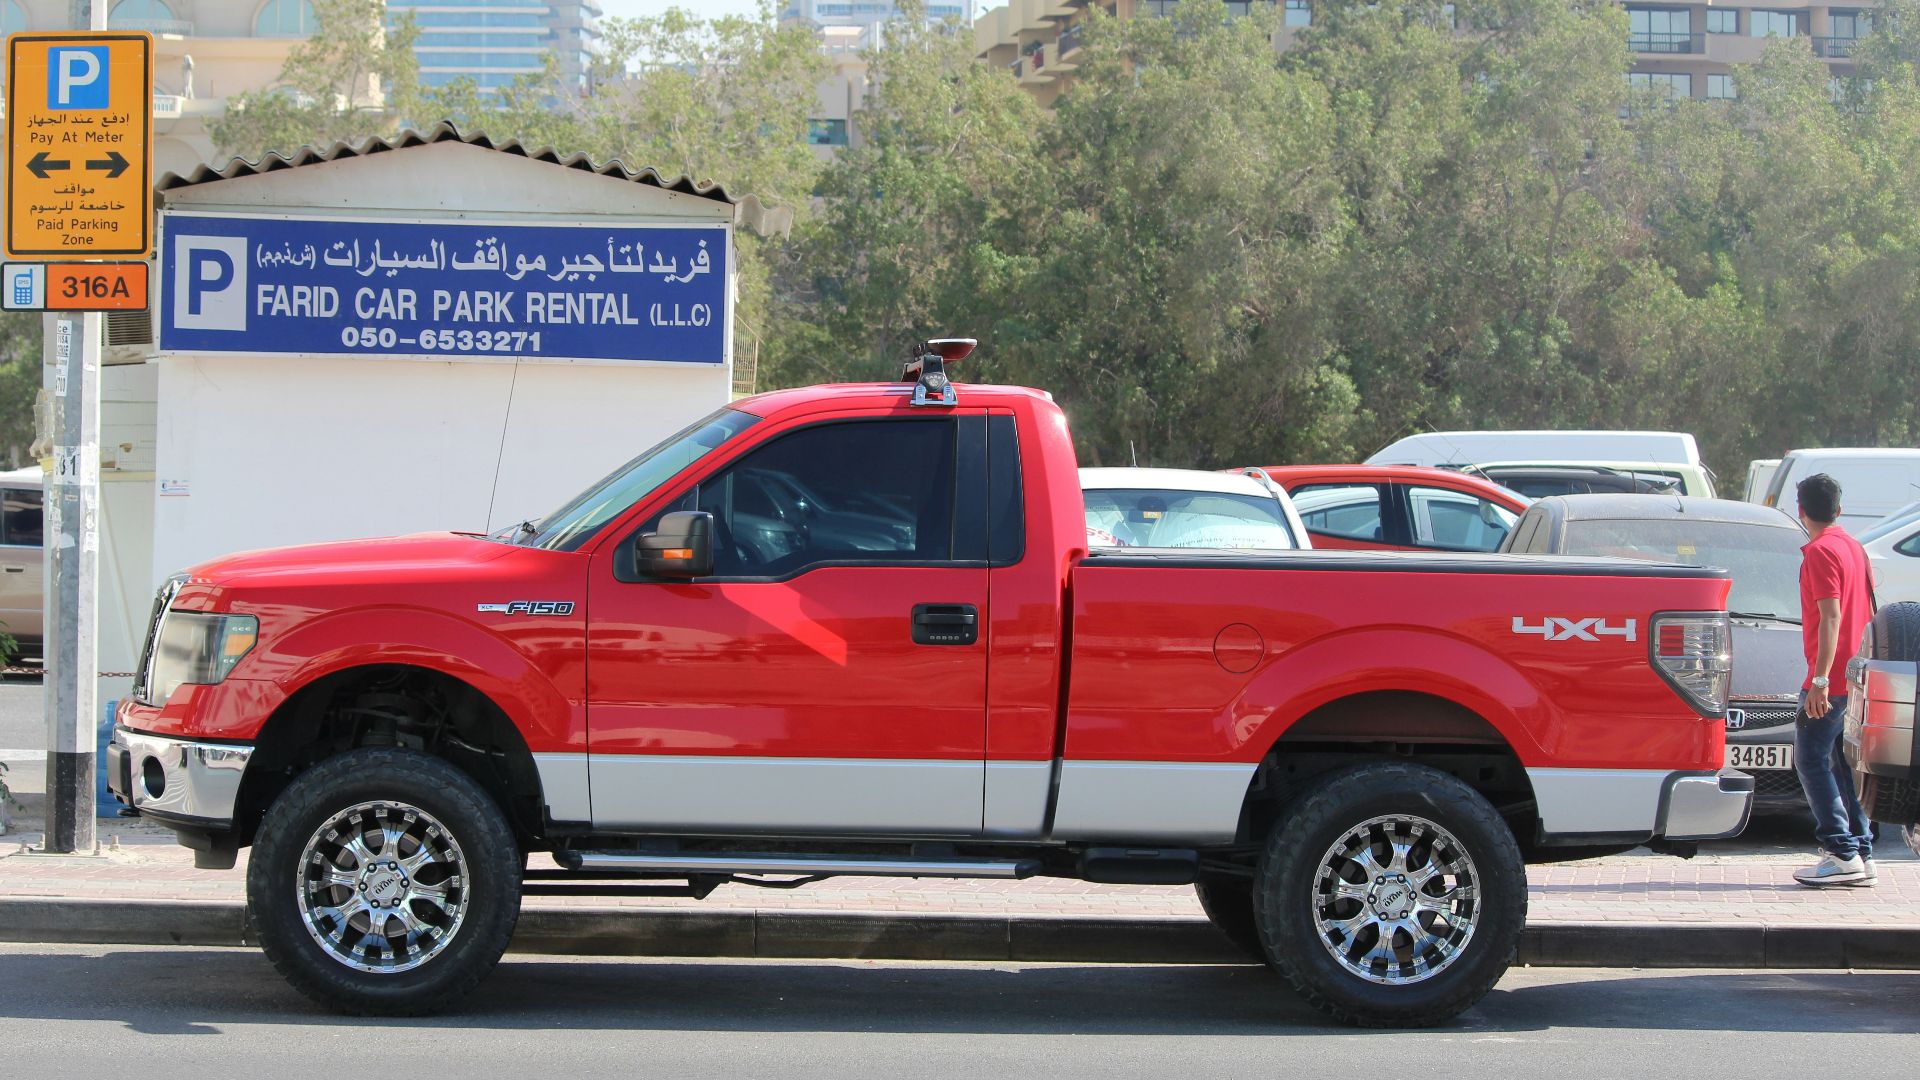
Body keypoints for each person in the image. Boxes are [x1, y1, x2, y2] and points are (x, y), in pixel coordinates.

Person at [1790, 473, 1876, 887]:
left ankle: (1841, 852)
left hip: (1832, 678)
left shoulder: (1821, 552)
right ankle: (1861, 851)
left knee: (1809, 759)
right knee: (1841, 763)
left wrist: (1820, 681)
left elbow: (1831, 616)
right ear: (1839, 510)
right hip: (1857, 675)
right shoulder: (1854, 547)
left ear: (1800, 510)